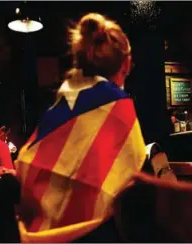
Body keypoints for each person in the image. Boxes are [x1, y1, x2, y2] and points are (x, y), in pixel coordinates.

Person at [15, 13, 146, 243]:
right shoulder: (117, 104)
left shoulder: (63, 99)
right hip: (89, 236)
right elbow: (134, 173)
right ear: (125, 64)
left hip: (36, 232)